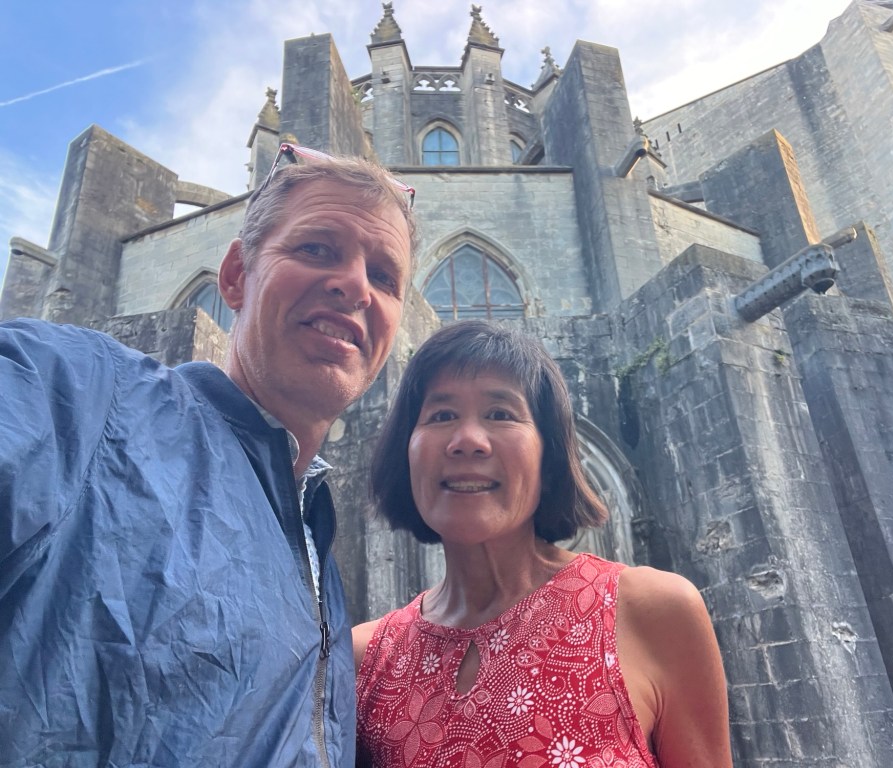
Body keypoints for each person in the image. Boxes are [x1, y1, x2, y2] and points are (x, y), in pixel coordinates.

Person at [0, 144, 416, 767]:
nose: (356, 285)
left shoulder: (316, 549)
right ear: (235, 277)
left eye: (384, 276)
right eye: (315, 248)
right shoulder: (82, 394)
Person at [354, 320, 732, 768]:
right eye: (441, 415)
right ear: (407, 457)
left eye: (500, 413)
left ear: (549, 461)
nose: (467, 440)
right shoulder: (365, 658)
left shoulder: (651, 612)